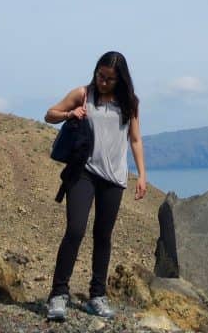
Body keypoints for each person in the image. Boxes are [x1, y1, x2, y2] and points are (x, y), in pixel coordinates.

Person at [44, 51, 146, 321]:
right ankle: (58, 295)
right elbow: (49, 115)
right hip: (84, 173)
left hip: (114, 178)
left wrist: (142, 175)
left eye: (109, 79)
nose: (103, 82)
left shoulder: (130, 103)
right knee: (75, 230)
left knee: (103, 236)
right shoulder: (83, 93)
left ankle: (97, 296)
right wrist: (69, 113)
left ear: (120, 79)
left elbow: (135, 139)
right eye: (100, 76)